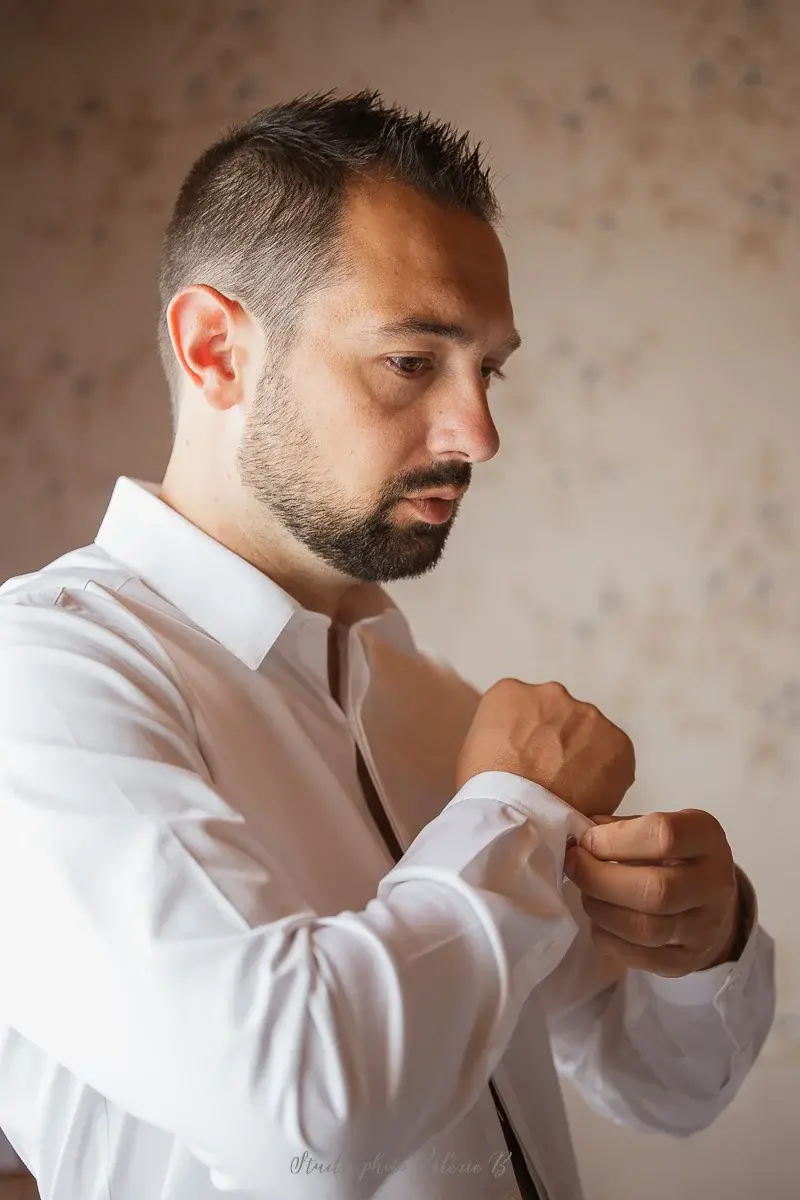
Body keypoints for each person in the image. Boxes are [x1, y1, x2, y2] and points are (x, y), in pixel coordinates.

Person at [0, 90, 774, 1200]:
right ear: (215, 349)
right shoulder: (43, 685)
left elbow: (667, 1088)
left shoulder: (436, 712)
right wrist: (510, 810)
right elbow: (301, 1120)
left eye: (487, 370)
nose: (479, 434)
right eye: (414, 362)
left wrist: (706, 938)